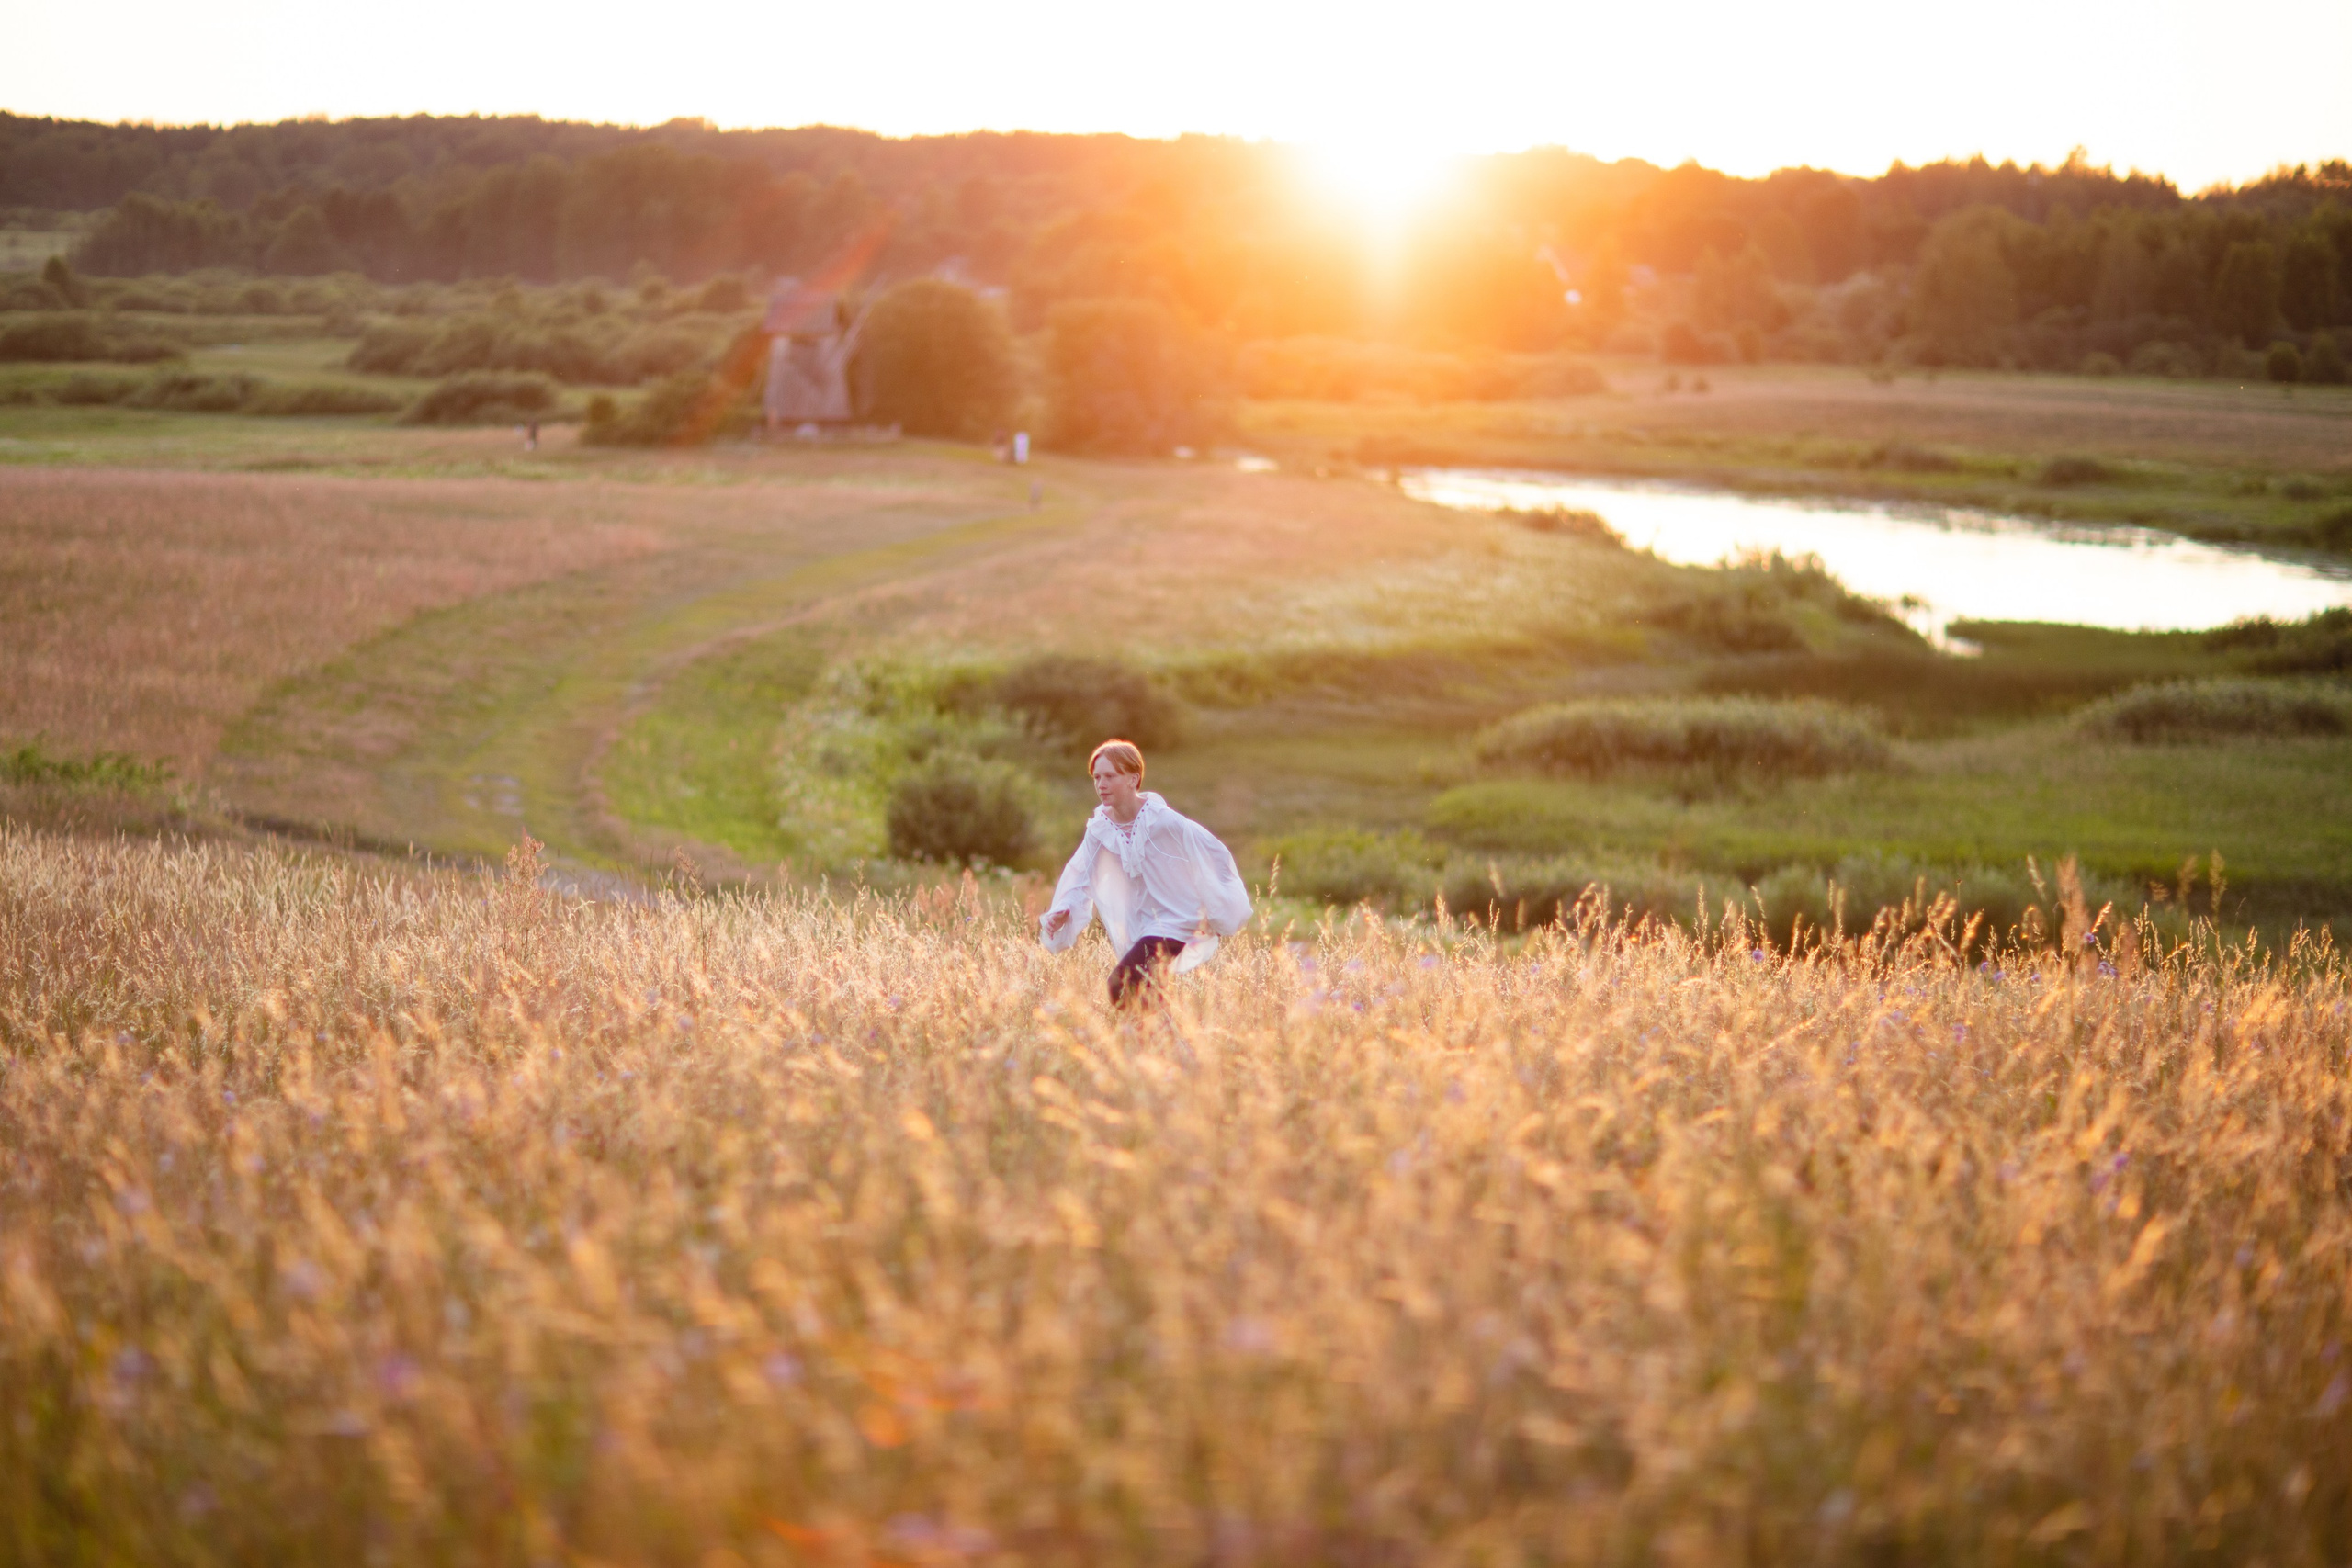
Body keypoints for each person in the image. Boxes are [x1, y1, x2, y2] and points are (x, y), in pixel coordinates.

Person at [1040, 739, 1250, 1007]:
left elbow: (1211, 856)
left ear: (1133, 778)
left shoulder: (1163, 821)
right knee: (1144, 994)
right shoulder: (1099, 829)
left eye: (1109, 776)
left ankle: (1149, 1039)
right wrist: (1065, 909)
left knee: (1121, 984)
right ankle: (1163, 1043)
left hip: (1176, 922)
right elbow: (1081, 875)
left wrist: (1217, 910)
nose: (1101, 784)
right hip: (1141, 925)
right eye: (1096, 777)